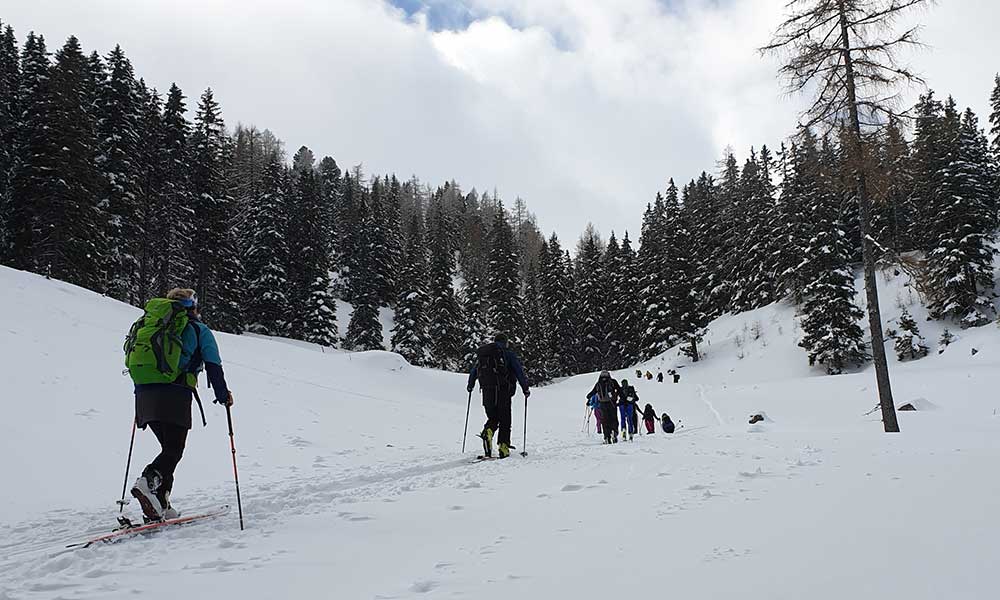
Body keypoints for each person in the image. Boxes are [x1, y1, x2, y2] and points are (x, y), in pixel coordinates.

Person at [126, 288, 233, 522]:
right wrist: (223, 394)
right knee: (174, 449)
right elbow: (213, 365)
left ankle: (160, 504)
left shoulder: (150, 324)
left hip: (144, 395)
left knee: (169, 448)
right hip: (175, 393)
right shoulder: (198, 329)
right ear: (193, 307)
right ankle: (148, 479)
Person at [467, 333, 530, 459]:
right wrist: (525, 388)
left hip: (486, 391)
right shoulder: (507, 353)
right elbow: (518, 371)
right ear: (505, 342)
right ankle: (503, 447)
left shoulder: (484, 355)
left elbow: (474, 370)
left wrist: (470, 385)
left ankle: (488, 432)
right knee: (505, 420)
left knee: (493, 418)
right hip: (503, 391)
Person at [586, 371, 621, 444]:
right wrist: (619, 397)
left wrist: (588, 396)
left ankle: (607, 436)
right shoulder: (613, 381)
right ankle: (614, 432)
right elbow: (619, 390)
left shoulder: (598, 383)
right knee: (614, 419)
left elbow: (593, 392)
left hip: (602, 404)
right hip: (612, 403)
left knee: (605, 421)